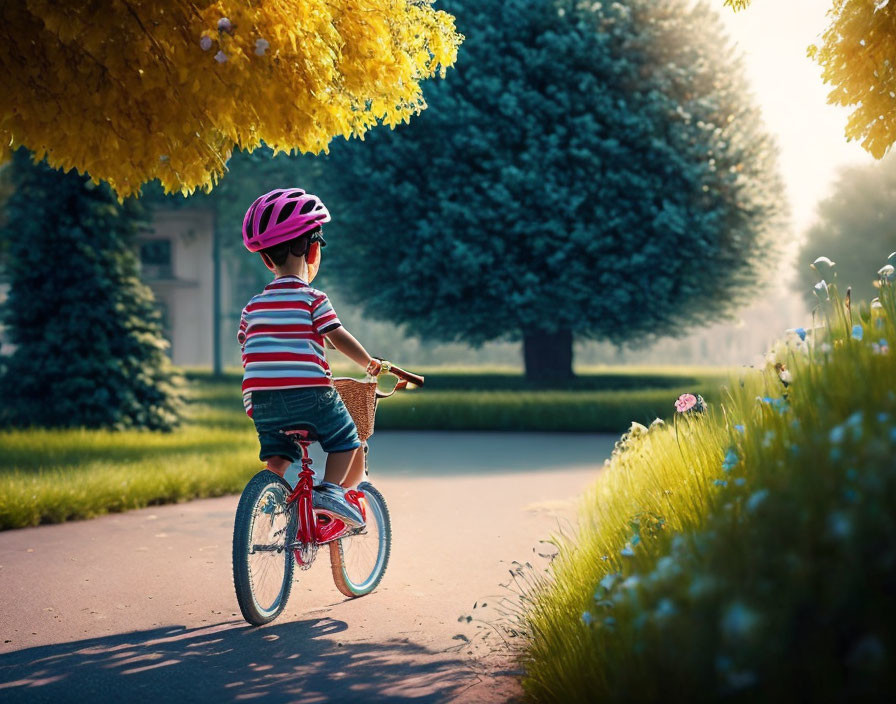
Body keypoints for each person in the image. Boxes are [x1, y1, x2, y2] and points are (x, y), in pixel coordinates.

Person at [238, 188, 381, 526]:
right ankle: (329, 492)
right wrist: (368, 362)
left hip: (261, 403)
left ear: (266, 258)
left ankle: (270, 496)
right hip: (310, 395)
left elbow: (252, 344)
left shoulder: (252, 307)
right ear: (312, 248)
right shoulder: (314, 299)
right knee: (348, 438)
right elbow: (337, 336)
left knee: (277, 456)